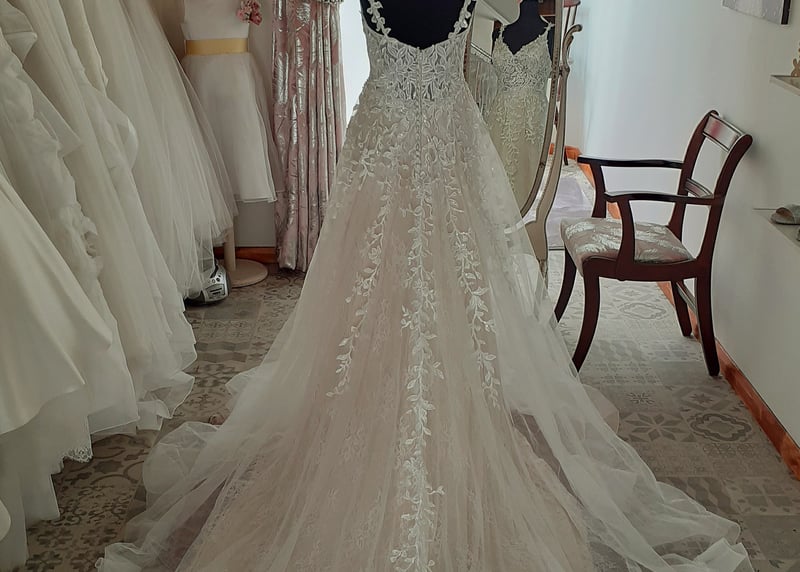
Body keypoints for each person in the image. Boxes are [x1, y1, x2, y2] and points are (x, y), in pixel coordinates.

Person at [101, 1, 752, 570]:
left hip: (417, 145)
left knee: (440, 289)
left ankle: (434, 420)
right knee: (371, 288)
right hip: (405, 147)